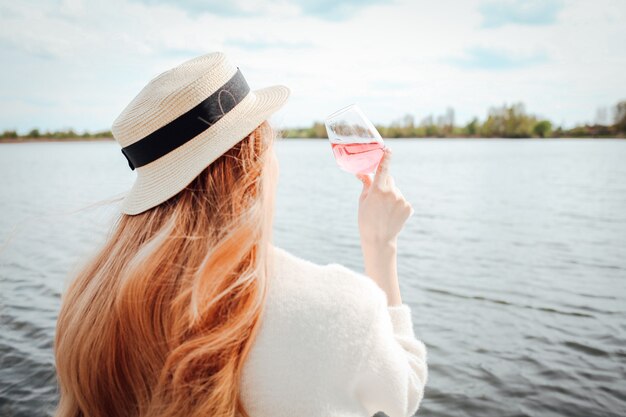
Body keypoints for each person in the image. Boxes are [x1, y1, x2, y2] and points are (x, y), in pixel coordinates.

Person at [53, 51, 427, 417]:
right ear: (252, 164)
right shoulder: (338, 308)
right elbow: (403, 392)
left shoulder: (88, 299)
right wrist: (381, 245)